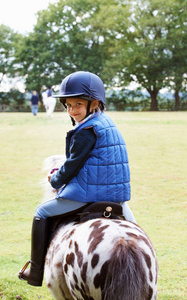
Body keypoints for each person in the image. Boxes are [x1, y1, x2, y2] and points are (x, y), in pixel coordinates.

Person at [18, 71, 136, 287]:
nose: (72, 110)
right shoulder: (105, 121)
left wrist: (54, 180)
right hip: (117, 196)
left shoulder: (86, 130)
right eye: (68, 105)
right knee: (136, 233)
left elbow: (72, 165)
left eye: (78, 104)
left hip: (88, 194)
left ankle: (35, 272)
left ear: (94, 103)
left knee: (41, 212)